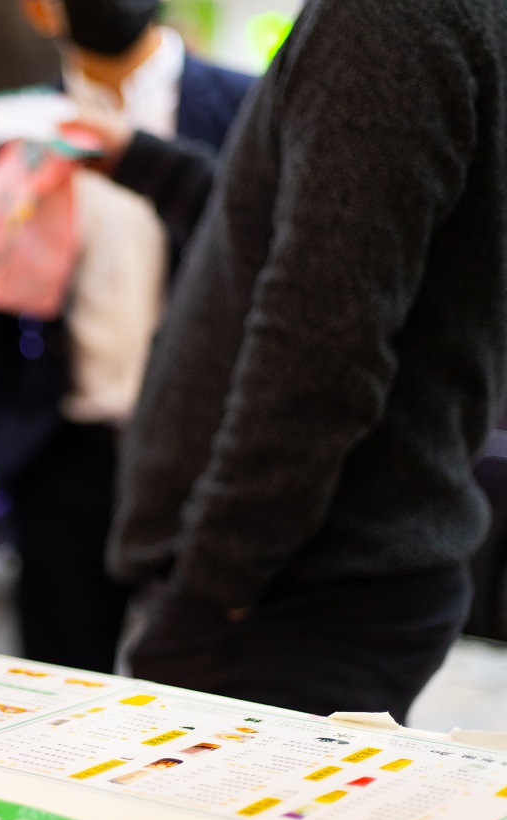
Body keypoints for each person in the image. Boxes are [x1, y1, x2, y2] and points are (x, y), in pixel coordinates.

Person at [93, 0, 507, 722]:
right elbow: (317, 241)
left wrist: (207, 596)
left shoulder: (391, 20)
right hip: (314, 584)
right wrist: (154, 167)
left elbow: (323, 342)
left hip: (286, 602)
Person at [0, 0, 253, 672]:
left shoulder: (246, 111)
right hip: (66, 458)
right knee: (61, 694)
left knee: (207, 701)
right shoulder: (14, 131)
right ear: (36, 10)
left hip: (207, 466)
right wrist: (13, 452)